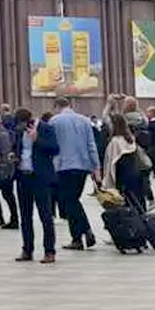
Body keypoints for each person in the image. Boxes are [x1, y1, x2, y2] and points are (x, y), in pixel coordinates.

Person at [49, 97, 100, 250]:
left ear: (57, 106)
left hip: (63, 166)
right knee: (72, 200)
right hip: (82, 166)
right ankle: (77, 238)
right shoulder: (85, 121)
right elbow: (92, 145)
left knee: (68, 200)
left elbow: (52, 146)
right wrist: (96, 168)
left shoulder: (54, 121)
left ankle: (86, 230)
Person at [15, 109, 57, 263]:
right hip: (23, 176)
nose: (21, 128)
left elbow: (55, 149)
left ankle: (49, 251)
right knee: (25, 216)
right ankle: (27, 249)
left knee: (45, 215)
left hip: (40, 177)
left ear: (31, 120)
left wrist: (37, 139)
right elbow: (19, 149)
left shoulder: (46, 128)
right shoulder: (20, 132)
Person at [102, 114, 145, 212]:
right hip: (134, 174)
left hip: (121, 177)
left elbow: (110, 163)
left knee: (124, 204)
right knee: (135, 202)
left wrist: (108, 181)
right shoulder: (130, 139)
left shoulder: (115, 142)